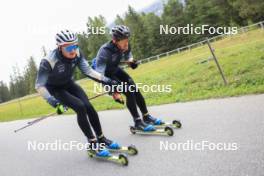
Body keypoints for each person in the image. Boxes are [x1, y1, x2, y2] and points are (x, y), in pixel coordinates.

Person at [35, 29, 121, 157]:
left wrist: (108, 81)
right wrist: (53, 101)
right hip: (55, 89)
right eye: (69, 47)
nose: (73, 50)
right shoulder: (48, 61)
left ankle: (101, 139)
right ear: (60, 47)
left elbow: (89, 71)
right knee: (80, 107)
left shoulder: (77, 54)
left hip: (69, 84)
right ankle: (92, 144)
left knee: (89, 107)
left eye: (75, 45)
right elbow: (39, 85)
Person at [94, 25, 165, 132]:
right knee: (129, 92)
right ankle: (137, 122)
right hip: (106, 75)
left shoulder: (125, 44)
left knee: (135, 89)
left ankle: (146, 116)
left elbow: (128, 55)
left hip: (115, 69)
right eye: (124, 41)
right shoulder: (104, 51)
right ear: (115, 40)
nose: (127, 43)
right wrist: (112, 91)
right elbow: (99, 75)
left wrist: (131, 61)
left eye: (127, 40)